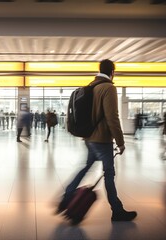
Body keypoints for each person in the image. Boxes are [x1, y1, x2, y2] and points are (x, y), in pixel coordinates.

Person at [56, 59, 137, 222]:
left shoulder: (91, 86)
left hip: (89, 138)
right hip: (102, 140)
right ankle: (117, 210)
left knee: (86, 167)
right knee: (109, 174)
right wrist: (120, 142)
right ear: (112, 72)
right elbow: (112, 118)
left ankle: (67, 196)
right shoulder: (108, 88)